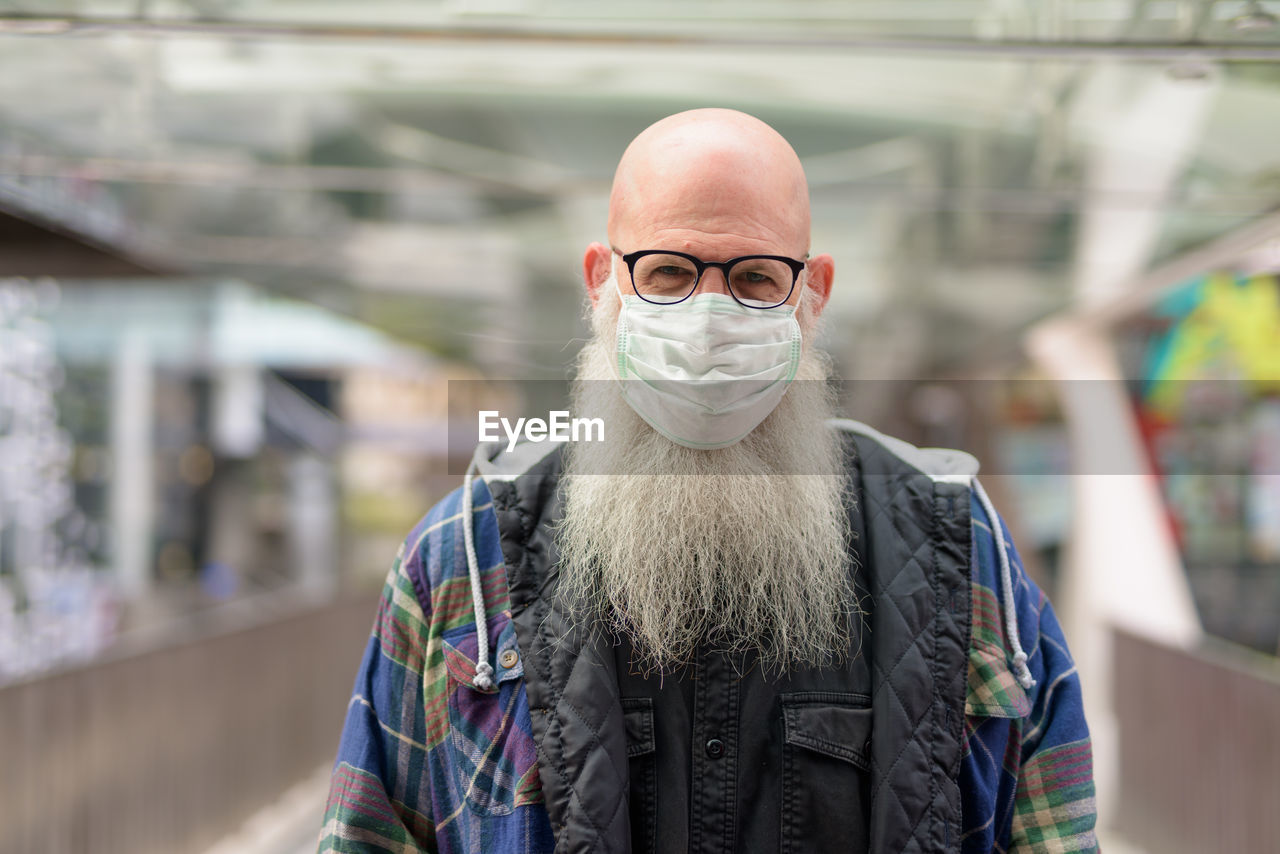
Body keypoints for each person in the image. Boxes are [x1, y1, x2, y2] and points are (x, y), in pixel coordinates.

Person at [318, 109, 1098, 853]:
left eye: (756, 278)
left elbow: (1054, 828)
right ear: (602, 282)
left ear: (813, 294)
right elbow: (371, 833)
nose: (707, 322)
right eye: (668, 273)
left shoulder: (956, 544)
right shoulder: (461, 556)